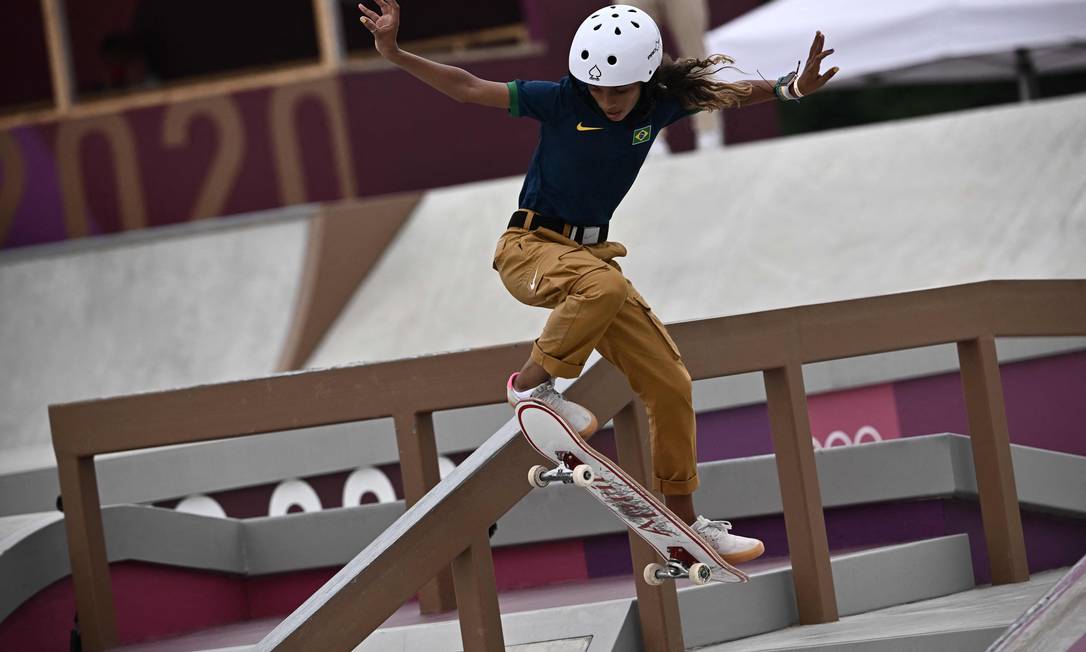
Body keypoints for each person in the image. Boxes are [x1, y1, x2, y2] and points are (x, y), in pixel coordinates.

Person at [358, 1, 837, 565]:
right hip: (529, 248)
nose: (609, 102)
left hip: (590, 259)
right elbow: (467, 87)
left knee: (670, 381)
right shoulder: (560, 99)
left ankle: (685, 527)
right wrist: (394, 53)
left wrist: (789, 89)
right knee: (602, 289)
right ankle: (530, 387)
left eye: (621, 91)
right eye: (600, 90)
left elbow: (727, 92)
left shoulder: (660, 104)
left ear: (646, 80)